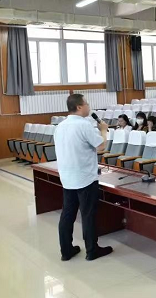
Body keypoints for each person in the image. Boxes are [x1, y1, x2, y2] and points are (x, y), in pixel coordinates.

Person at [54, 94, 112, 261]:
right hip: (84, 177)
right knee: (88, 215)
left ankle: (66, 251)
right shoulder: (83, 125)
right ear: (79, 107)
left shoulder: (60, 126)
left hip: (67, 177)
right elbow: (101, 146)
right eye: (86, 103)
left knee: (68, 214)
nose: (89, 106)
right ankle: (92, 250)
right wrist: (103, 130)